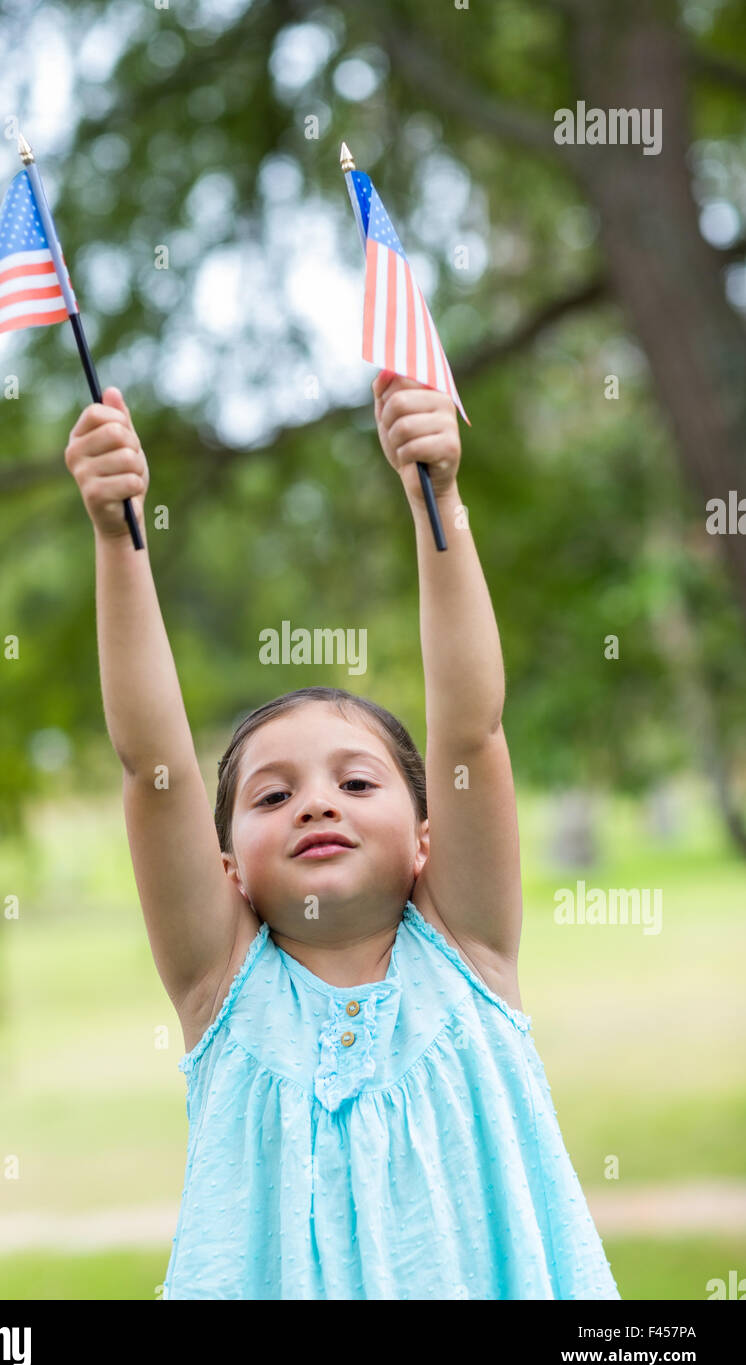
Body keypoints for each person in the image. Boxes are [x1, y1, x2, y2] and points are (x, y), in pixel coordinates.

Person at [65, 374, 620, 1300]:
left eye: (357, 782)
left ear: (427, 839)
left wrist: (437, 498)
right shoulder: (224, 989)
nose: (317, 804)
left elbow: (473, 729)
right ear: (229, 868)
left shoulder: (469, 951)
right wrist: (118, 538)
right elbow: (149, 767)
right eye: (272, 796)